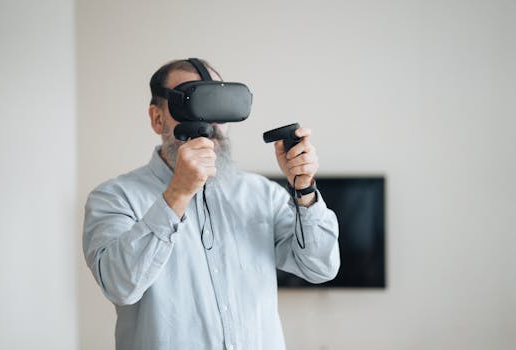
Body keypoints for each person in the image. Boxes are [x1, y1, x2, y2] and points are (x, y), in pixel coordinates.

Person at [83, 58, 340, 350]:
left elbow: (320, 267)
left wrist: (304, 188)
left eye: (218, 103)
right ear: (157, 119)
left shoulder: (262, 194)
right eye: (190, 102)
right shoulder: (115, 198)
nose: (209, 123)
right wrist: (176, 195)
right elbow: (119, 286)